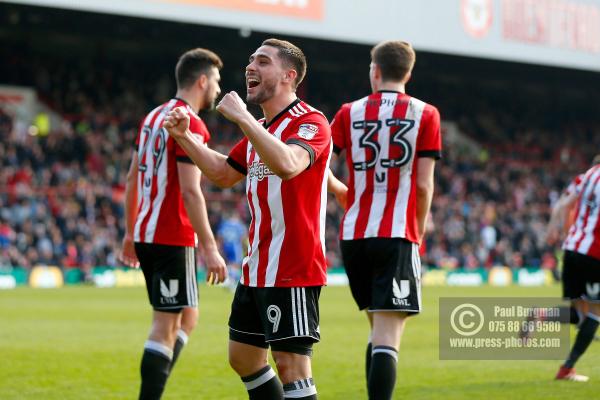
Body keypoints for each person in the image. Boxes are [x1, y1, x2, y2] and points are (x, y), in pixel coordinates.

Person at [164, 38, 332, 400]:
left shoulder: (311, 122)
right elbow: (224, 173)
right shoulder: (262, 128)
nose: (250, 67)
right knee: (243, 357)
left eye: (263, 62)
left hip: (292, 268)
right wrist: (186, 137)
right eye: (251, 60)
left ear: (289, 76)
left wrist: (241, 117)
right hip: (257, 267)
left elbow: (289, 164)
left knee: (291, 366)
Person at [329, 40, 441, 400]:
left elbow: (317, 167)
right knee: (388, 337)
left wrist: (340, 190)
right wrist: (419, 229)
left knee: (377, 331)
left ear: (375, 71)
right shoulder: (426, 113)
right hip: (396, 233)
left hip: (354, 235)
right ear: (408, 72)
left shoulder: (348, 112)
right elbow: (423, 186)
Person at [119, 48, 228, 400]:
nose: (217, 88)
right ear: (201, 80)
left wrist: (129, 231)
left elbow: (132, 178)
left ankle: (156, 385)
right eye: (216, 80)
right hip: (170, 235)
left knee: (188, 317)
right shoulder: (190, 123)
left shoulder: (152, 117)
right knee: (165, 324)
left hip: (149, 232)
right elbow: (190, 190)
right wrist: (210, 247)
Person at [551, 160, 600, 382]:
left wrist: (563, 233)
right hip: (595, 254)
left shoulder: (587, 175)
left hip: (572, 248)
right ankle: (566, 368)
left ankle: (541, 315)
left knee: (580, 314)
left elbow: (563, 205)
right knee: (595, 313)